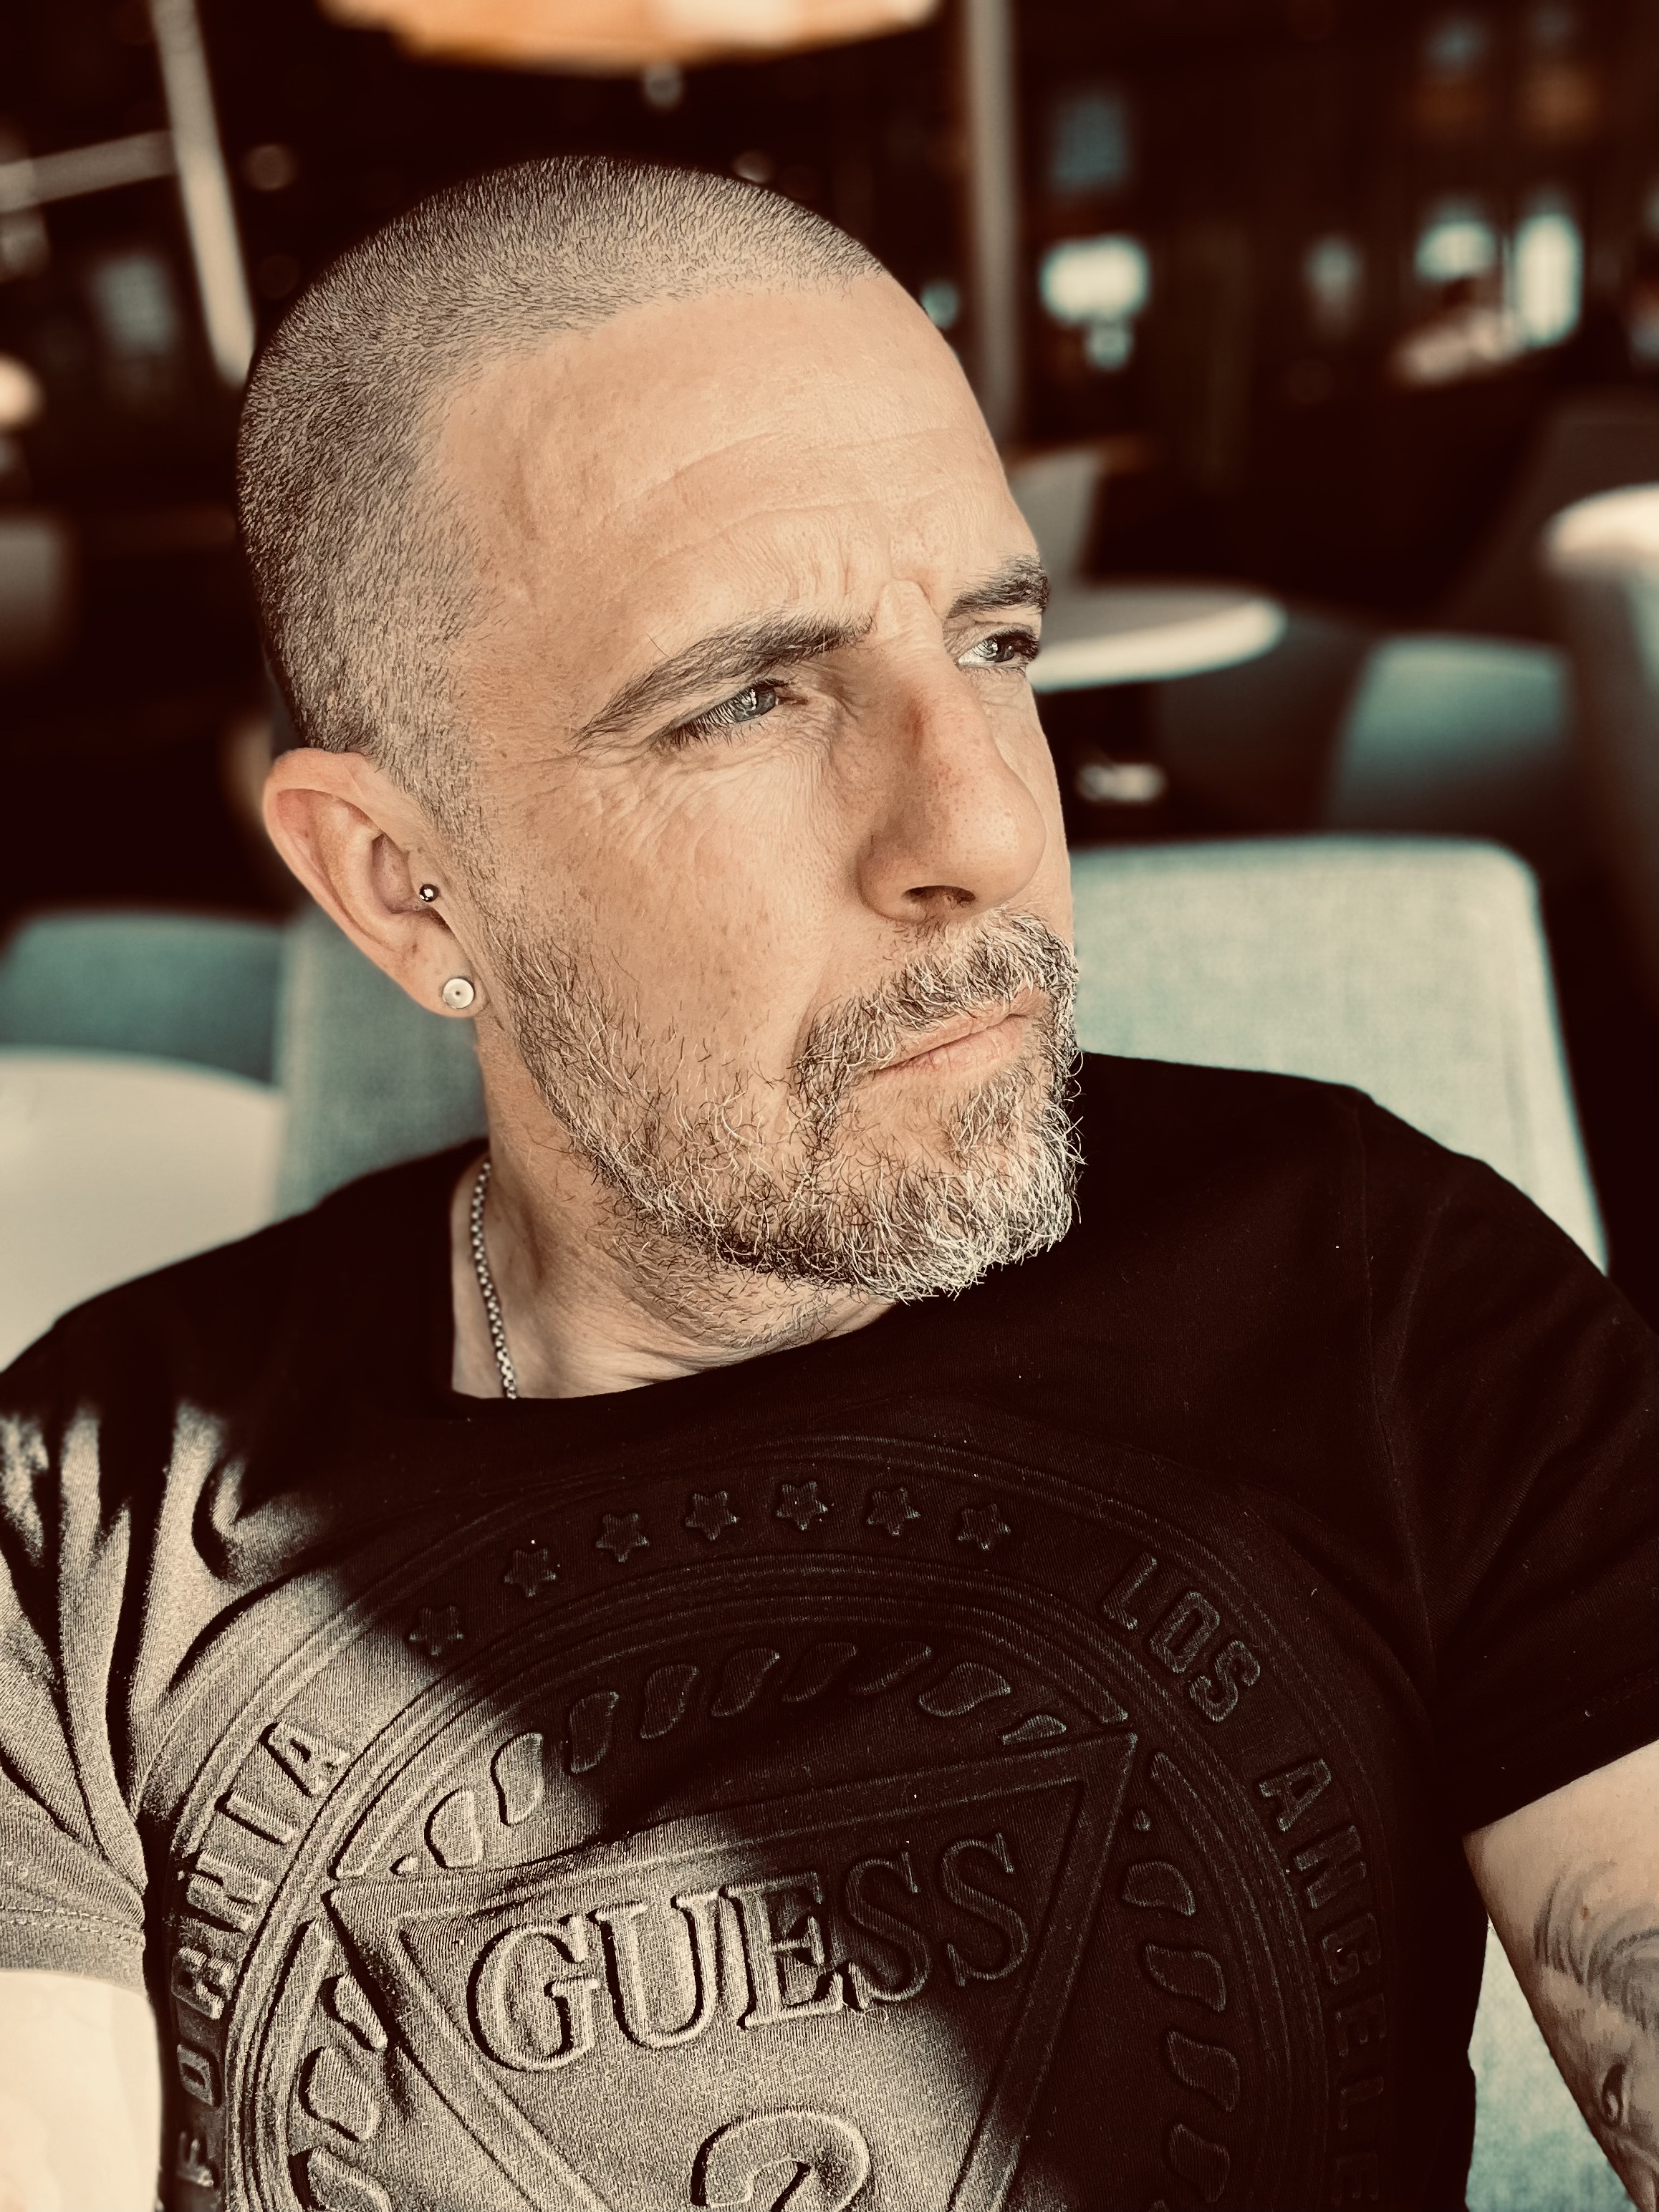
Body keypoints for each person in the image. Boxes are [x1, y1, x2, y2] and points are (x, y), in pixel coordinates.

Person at [0, 156, 1653, 2212]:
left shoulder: (1376, 1283)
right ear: (403, 881)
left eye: (998, 640)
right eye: (749, 700)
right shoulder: (95, 1519)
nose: (985, 830)